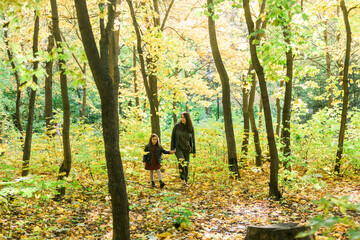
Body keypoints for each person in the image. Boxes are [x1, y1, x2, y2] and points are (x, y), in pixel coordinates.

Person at [171, 112, 196, 187]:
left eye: (184, 117)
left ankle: (186, 181)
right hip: (178, 148)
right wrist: (172, 148)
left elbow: (193, 140)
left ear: (187, 119)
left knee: (186, 165)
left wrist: (194, 151)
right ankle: (182, 180)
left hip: (187, 149)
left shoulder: (190, 127)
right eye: (181, 117)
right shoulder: (177, 127)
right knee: (181, 161)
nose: (182, 119)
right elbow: (173, 138)